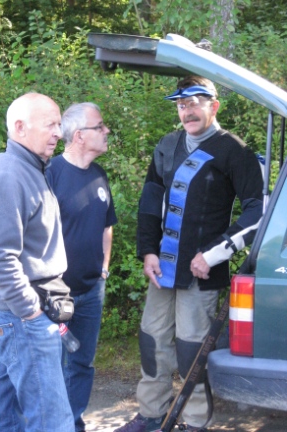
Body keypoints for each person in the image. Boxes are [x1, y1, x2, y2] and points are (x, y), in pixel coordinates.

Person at [114, 76, 263, 432]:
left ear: (214, 106)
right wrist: (148, 251)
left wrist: (213, 255)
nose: (187, 111)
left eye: (195, 103)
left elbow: (257, 212)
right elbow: (150, 203)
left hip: (202, 272)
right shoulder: (166, 145)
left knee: (191, 349)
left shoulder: (235, 151)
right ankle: (151, 414)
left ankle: (195, 422)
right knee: (152, 341)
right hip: (162, 269)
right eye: (181, 105)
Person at [0, 93, 75, 432]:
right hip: (21, 315)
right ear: (19, 127)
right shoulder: (9, 176)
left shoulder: (31, 169)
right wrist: (31, 311)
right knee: (52, 421)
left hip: (15, 315)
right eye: (50, 124)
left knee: (3, 415)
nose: (58, 132)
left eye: (59, 124)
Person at [46, 102, 117, 432]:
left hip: (91, 290)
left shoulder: (99, 175)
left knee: (82, 363)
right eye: (100, 126)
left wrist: (104, 269)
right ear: (78, 136)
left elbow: (107, 225)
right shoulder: (51, 174)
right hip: (55, 296)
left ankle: (72, 423)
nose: (106, 131)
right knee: (51, 364)